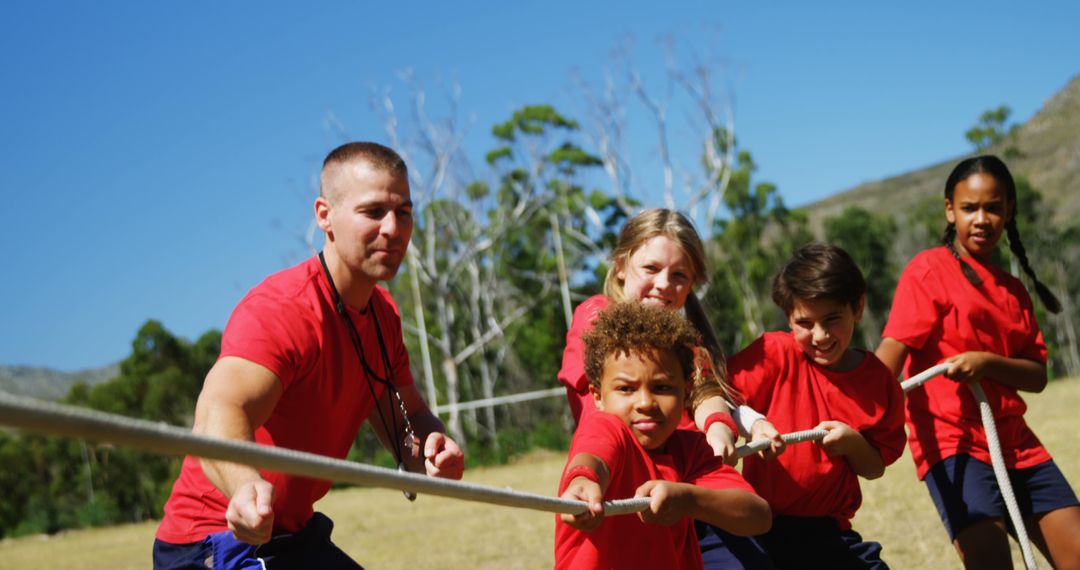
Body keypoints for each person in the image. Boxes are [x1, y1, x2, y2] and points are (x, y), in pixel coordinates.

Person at [153, 142, 465, 569]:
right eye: (373, 212)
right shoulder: (283, 309)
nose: (393, 228)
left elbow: (407, 424)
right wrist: (244, 487)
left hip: (294, 536)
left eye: (404, 212)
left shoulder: (383, 317)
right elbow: (217, 413)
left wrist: (433, 449)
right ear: (324, 216)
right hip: (212, 540)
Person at [875, 155, 1080, 569]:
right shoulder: (928, 270)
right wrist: (845, 410)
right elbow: (887, 362)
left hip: (1018, 445)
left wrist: (986, 363)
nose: (982, 219)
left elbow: (1037, 376)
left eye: (994, 207)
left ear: (1009, 211)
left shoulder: (1013, 292)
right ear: (950, 209)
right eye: (970, 208)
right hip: (955, 447)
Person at [556, 208, 783, 567]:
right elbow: (600, 431)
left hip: (690, 485)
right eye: (651, 268)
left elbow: (707, 394)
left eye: (679, 275)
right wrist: (588, 473)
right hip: (621, 485)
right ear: (620, 266)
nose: (664, 284)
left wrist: (721, 426)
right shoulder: (598, 317)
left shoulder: (688, 347)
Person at [555, 302, 772, 570]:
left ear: (687, 390)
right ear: (597, 396)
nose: (645, 402)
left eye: (662, 387)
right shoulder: (606, 427)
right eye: (625, 388)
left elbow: (758, 516)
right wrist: (582, 481)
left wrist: (690, 500)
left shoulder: (690, 450)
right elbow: (595, 455)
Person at [728, 243, 906, 569]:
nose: (821, 335)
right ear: (788, 318)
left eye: (832, 319)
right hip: (760, 527)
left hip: (827, 530)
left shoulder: (880, 382)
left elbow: (874, 467)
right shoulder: (773, 354)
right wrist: (752, 423)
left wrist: (853, 443)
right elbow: (719, 395)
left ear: (859, 308)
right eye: (805, 323)